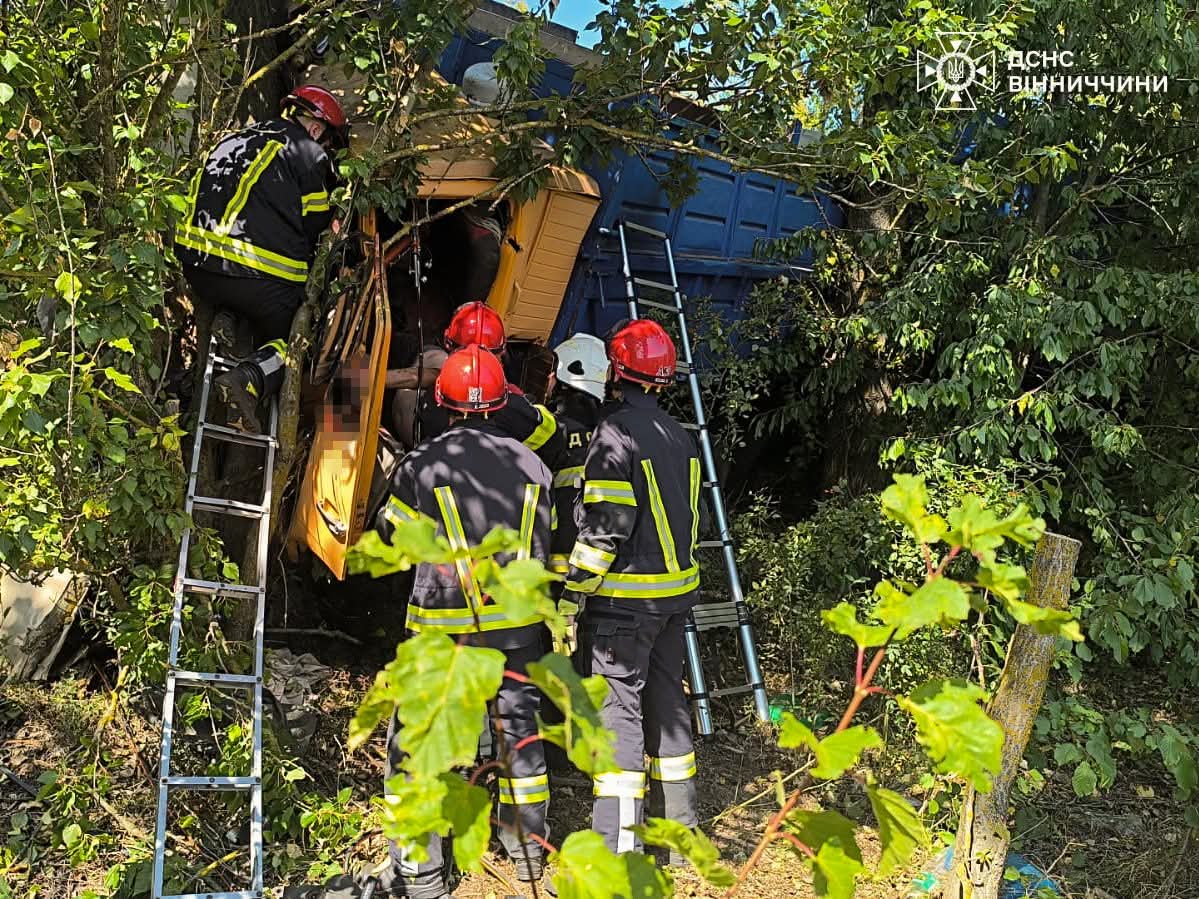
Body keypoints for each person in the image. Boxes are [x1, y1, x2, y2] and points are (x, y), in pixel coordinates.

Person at [374, 344, 555, 898]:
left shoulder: (424, 462)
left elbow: (393, 540)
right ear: (501, 403)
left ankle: (421, 876)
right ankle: (526, 855)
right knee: (520, 742)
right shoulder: (533, 464)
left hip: (443, 631)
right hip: (518, 631)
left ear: (442, 401)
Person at [564, 319, 702, 858]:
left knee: (617, 713)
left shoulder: (615, 433)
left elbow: (609, 522)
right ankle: (677, 830)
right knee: (668, 706)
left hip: (624, 604)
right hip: (673, 599)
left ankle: (617, 850)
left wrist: (575, 585)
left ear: (615, 373)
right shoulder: (680, 435)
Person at [176, 84, 349, 433]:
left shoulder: (237, 138)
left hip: (197, 266)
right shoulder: (308, 153)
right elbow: (317, 223)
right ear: (316, 129)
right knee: (303, 339)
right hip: (256, 276)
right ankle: (248, 379)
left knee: (251, 296)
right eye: (328, 142)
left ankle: (230, 319)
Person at [388, 300, 566, 468]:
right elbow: (554, 439)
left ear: (448, 345)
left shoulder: (432, 402)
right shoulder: (513, 407)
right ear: (501, 353)